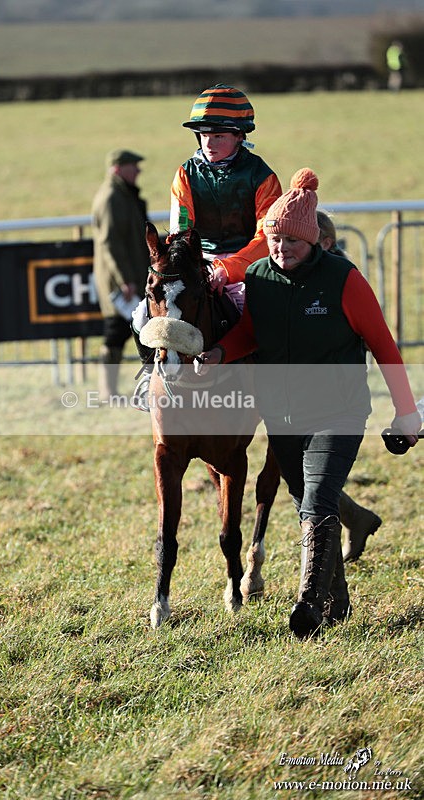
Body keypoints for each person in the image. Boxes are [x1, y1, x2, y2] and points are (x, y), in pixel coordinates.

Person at [196, 168, 421, 639]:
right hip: (282, 415)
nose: (281, 249)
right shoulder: (259, 276)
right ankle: (337, 600)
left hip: (338, 411)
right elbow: (250, 333)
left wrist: (406, 413)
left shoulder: (344, 279)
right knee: (307, 503)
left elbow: (383, 345)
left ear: (314, 240)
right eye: (274, 239)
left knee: (318, 498)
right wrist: (218, 352)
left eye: (291, 242)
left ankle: (309, 605)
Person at [131, 84, 282, 408]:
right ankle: (148, 372)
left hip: (248, 262)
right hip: (199, 260)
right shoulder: (185, 173)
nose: (209, 143)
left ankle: (274, 388)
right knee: (142, 313)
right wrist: (191, 266)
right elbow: (181, 231)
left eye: (219, 136)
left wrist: (229, 269)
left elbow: (266, 237)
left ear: (240, 135)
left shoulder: (262, 176)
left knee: (265, 316)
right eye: (203, 135)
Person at [316, 209, 383, 562]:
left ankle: (326, 581)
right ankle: (355, 517)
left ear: (326, 243)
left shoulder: (343, 280)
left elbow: (377, 338)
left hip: (338, 395)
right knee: (298, 473)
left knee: (313, 484)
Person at [92, 148, 150, 399]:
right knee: (116, 330)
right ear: (118, 169)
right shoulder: (111, 198)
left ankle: (112, 389)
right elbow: (110, 244)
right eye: (132, 166)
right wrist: (124, 279)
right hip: (121, 281)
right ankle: (107, 391)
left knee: (127, 329)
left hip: (130, 277)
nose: (138, 170)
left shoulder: (123, 195)